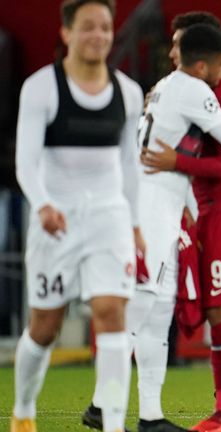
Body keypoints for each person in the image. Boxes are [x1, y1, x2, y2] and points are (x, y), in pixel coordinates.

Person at [12, 1, 144, 431]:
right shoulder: (41, 88)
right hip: (56, 220)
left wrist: (136, 224)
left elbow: (129, 164)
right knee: (44, 328)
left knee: (112, 312)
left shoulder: (127, 91)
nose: (98, 35)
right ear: (67, 33)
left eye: (105, 27)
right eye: (88, 27)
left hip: (109, 218)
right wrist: (43, 203)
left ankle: (110, 423)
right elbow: (26, 162)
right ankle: (24, 411)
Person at [134, 23, 221, 431]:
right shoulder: (189, 89)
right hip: (209, 210)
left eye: (178, 47)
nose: (172, 56)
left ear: (199, 58)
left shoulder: (220, 93)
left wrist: (180, 165)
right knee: (216, 315)